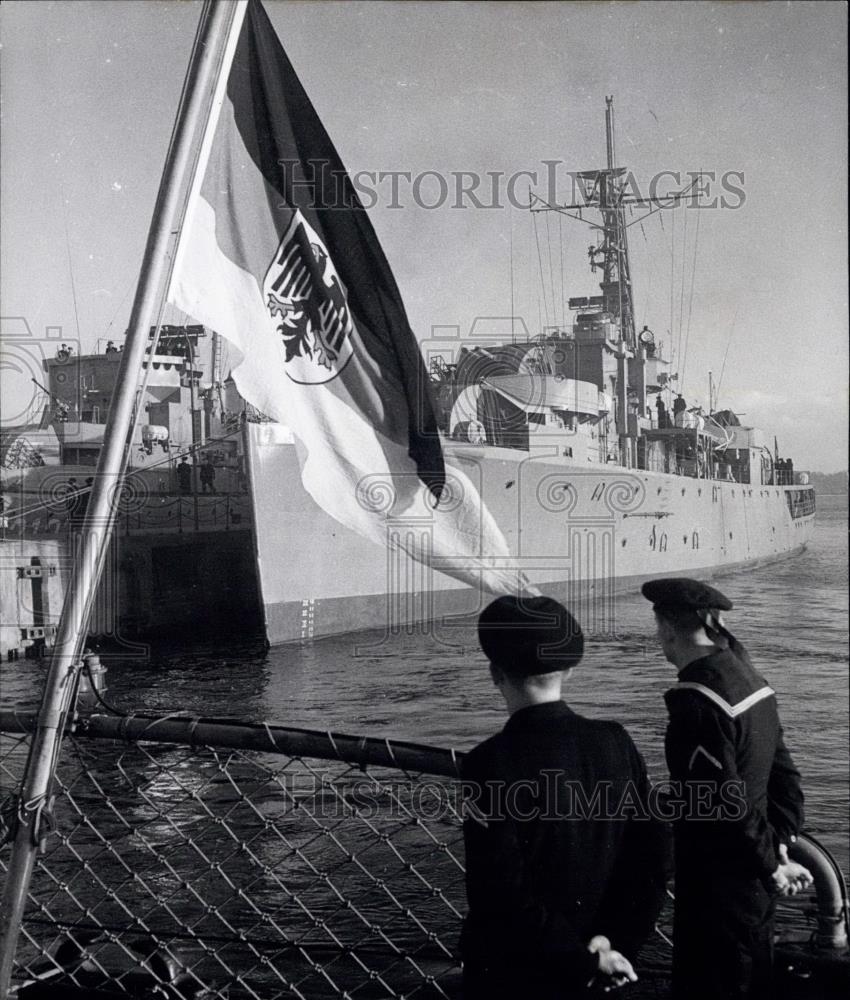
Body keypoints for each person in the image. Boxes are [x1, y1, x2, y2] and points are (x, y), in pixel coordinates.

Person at [460, 595, 668, 1000]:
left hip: (513, 976)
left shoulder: (488, 764)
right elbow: (655, 858)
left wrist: (577, 960)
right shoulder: (615, 742)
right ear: (570, 670)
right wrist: (613, 944)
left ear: (494, 673)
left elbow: (499, 893)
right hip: (606, 964)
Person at [641, 578, 812, 1000]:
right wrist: (781, 847)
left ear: (665, 627)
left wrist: (771, 863)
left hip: (719, 883)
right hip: (754, 880)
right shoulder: (752, 682)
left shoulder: (697, 701)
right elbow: (786, 780)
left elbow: (721, 800)